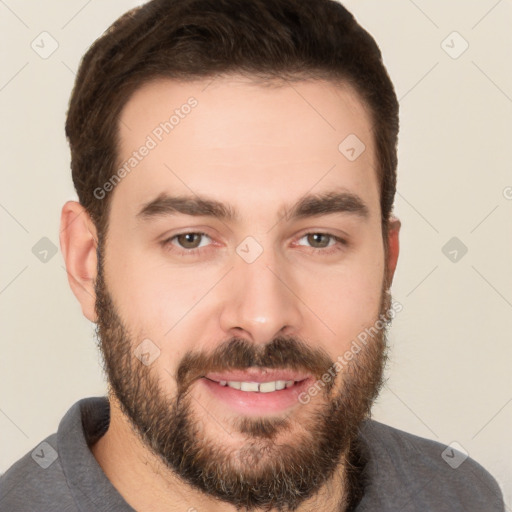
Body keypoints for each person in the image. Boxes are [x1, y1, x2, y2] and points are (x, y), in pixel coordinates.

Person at [0, 0, 505, 511]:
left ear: (387, 262)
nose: (263, 317)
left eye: (318, 239)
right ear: (87, 262)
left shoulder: (461, 496)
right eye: (190, 239)